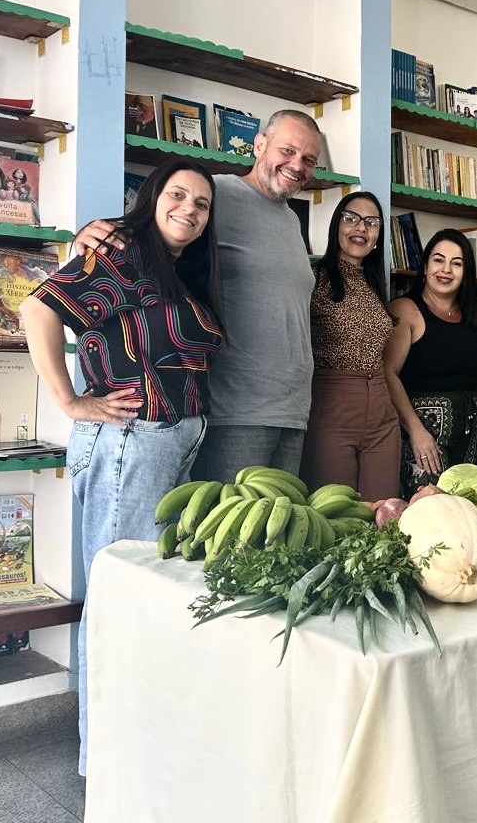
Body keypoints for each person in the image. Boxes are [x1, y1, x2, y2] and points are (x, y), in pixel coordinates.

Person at [19, 157, 224, 776]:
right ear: (152, 196)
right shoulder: (125, 251)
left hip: (167, 445)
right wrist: (69, 401)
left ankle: (135, 749)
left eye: (202, 204)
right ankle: (102, 765)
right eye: (178, 195)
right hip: (130, 443)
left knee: (141, 595)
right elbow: (39, 309)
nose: (189, 209)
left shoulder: (176, 266)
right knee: (115, 599)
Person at [74, 109, 321, 481]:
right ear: (259, 145)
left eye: (308, 159)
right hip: (234, 411)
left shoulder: (291, 219)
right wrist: (86, 233)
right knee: (229, 537)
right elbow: (149, 228)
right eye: (287, 151)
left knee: (281, 538)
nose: (296, 165)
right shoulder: (216, 193)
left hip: (292, 411)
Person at [299, 191, 401, 500]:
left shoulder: (376, 284)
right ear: (336, 226)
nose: (361, 229)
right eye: (351, 219)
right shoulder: (313, 279)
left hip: (383, 414)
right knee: (336, 516)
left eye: (371, 223)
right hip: (331, 411)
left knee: (384, 516)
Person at [384, 228, 477, 496]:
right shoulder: (406, 310)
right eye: (439, 260)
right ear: (426, 265)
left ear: (466, 272)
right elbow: (388, 373)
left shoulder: (474, 315)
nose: (446, 270)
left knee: (469, 522)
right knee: (426, 518)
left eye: (457, 263)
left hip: (471, 446)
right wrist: (416, 431)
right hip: (422, 445)